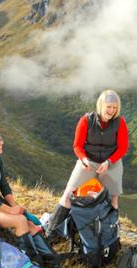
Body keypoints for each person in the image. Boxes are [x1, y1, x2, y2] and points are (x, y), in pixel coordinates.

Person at [0, 127, 57, 267]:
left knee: (29, 222)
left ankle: (51, 258)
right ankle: (32, 261)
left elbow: (3, 184)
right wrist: (10, 211)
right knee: (20, 221)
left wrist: (14, 205)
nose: (2, 142)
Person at [45, 89, 129, 237]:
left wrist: (109, 162)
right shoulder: (86, 120)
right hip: (88, 161)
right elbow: (77, 145)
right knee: (68, 194)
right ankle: (51, 231)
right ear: (101, 105)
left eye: (115, 107)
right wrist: (83, 159)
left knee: (113, 199)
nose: (111, 110)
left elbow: (123, 148)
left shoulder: (120, 122)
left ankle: (109, 235)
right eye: (109, 106)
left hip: (112, 163)